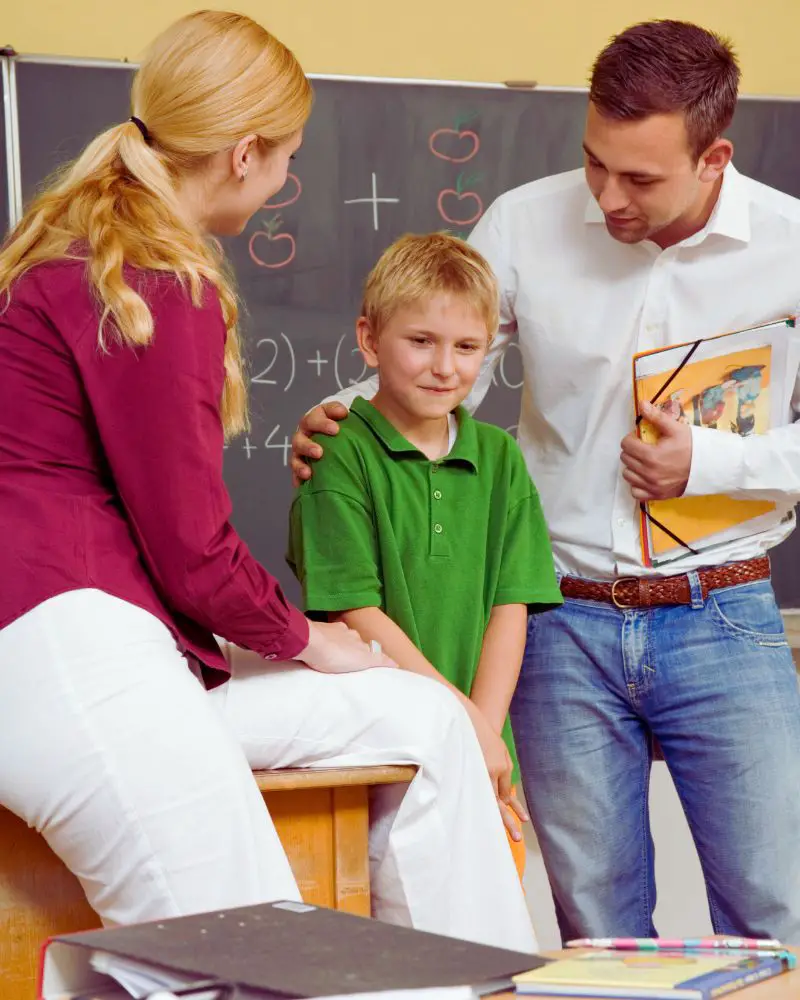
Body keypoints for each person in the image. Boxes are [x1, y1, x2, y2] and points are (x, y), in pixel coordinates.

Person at [0, 10, 536, 952]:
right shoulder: (154, 277)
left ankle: (482, 974)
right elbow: (191, 548)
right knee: (252, 960)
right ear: (244, 153)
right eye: (288, 156)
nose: (288, 179)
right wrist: (302, 638)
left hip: (103, 649)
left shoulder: (76, 251)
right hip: (71, 654)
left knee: (423, 718)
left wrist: (307, 647)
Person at [291, 19, 800, 943]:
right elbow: (445, 367)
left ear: (714, 156)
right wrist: (349, 425)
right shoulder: (526, 220)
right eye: (595, 161)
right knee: (595, 921)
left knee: (776, 912)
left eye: (640, 177)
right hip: (559, 622)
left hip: (724, 611)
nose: (607, 195)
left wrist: (716, 462)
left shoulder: (790, 243)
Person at [286, 233, 562, 874]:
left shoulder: (499, 457)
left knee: (492, 934)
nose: (445, 367)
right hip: (379, 749)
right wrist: (461, 723)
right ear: (369, 339)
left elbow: (509, 605)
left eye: (467, 347)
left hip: (485, 752)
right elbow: (357, 611)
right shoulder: (339, 451)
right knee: (392, 933)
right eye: (421, 342)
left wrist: (485, 736)